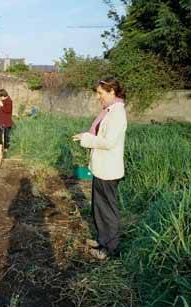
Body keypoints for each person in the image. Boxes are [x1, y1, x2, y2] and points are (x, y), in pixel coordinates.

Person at [72, 77, 127, 260]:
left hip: (108, 171)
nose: (98, 97)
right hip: (102, 169)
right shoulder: (110, 111)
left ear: (112, 92)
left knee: (107, 212)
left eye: (100, 93)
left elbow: (109, 142)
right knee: (99, 207)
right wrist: (86, 136)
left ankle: (109, 250)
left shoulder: (117, 113)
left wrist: (86, 139)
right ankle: (102, 240)